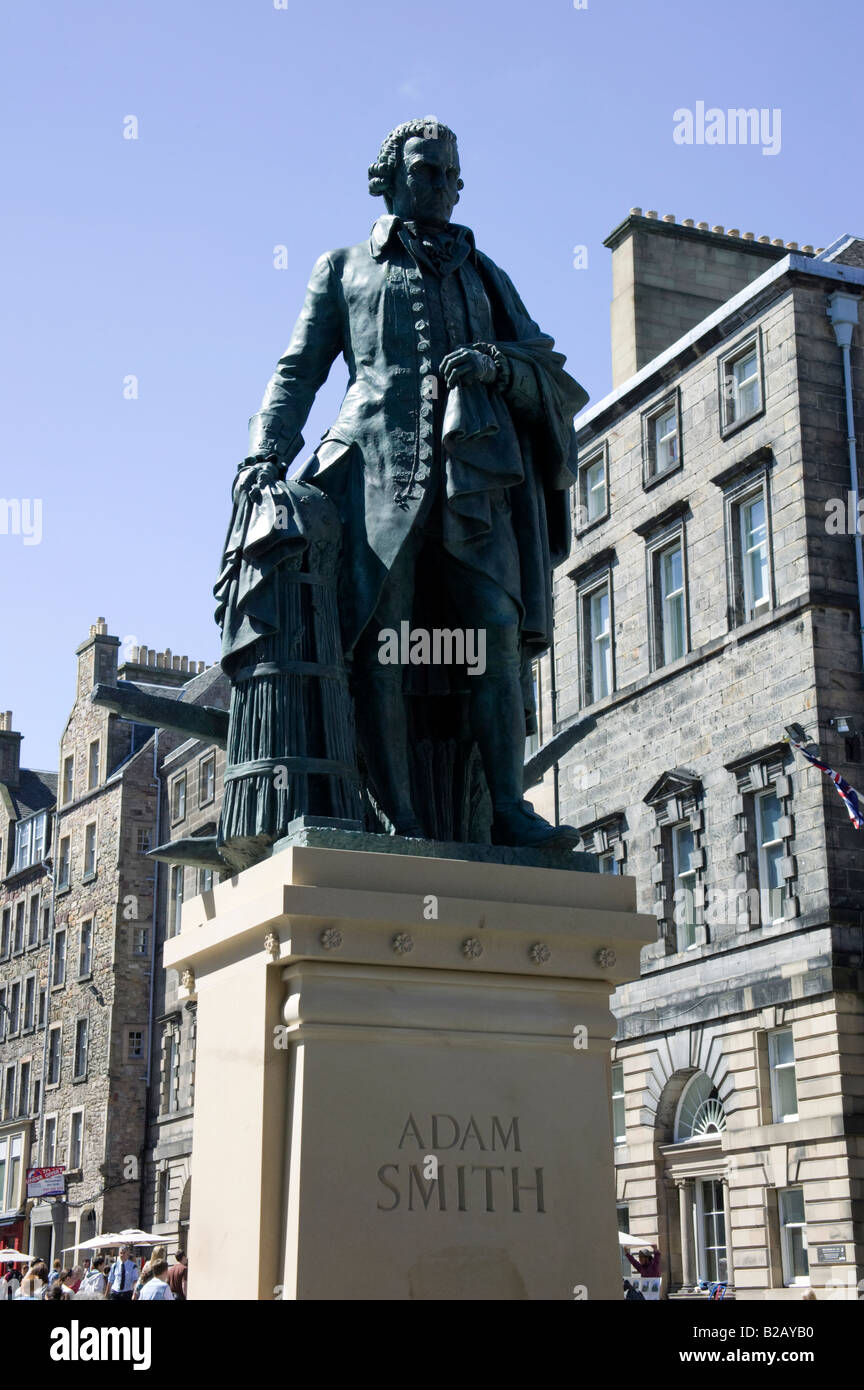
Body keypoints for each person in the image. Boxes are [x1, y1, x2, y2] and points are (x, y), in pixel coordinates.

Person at [221, 117, 588, 853]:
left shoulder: (486, 274)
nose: (444, 188)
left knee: (492, 630)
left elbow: (546, 367)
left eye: (452, 175)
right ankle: (399, 818)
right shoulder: (343, 267)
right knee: (380, 644)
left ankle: (508, 807)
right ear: (387, 177)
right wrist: (265, 453)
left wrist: (496, 364)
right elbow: (298, 370)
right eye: (427, 171)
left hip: (471, 484)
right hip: (370, 474)